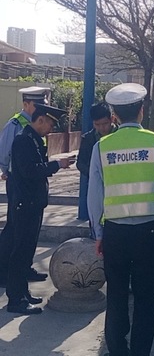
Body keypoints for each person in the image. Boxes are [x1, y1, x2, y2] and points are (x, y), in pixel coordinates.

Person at [87, 83, 154, 356]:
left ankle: (117, 348)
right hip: (151, 233)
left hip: (115, 233)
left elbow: (94, 196)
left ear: (114, 115)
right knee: (147, 296)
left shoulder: (102, 148)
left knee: (116, 294)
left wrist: (99, 235)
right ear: (141, 111)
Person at [6, 103, 72, 315]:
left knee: (27, 253)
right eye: (50, 123)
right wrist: (57, 165)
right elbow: (30, 171)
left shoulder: (34, 140)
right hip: (24, 204)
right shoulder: (23, 140)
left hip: (33, 204)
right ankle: (15, 299)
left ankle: (23, 294)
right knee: (20, 253)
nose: (51, 128)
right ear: (40, 119)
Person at [0, 86, 51, 285]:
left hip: (33, 183)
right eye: (38, 105)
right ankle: (5, 270)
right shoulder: (15, 124)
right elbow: (4, 152)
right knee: (15, 229)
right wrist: (6, 170)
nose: (42, 109)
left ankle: (24, 267)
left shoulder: (38, 124)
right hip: (18, 183)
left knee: (31, 230)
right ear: (26, 105)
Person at [76, 102, 116, 178]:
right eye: (97, 124)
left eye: (105, 123)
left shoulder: (121, 134)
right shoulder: (88, 139)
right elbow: (80, 163)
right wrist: (94, 173)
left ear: (112, 119)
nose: (101, 128)